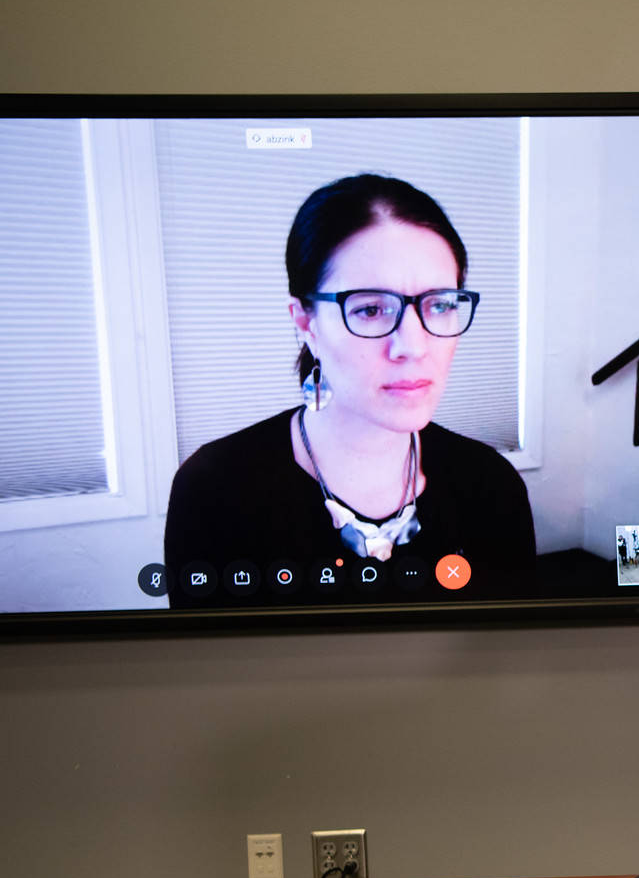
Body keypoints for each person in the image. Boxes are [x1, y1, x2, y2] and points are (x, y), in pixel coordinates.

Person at [164, 174, 535, 605]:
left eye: (439, 304)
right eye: (372, 309)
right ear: (306, 323)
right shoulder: (216, 491)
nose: (413, 347)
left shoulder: (491, 486)